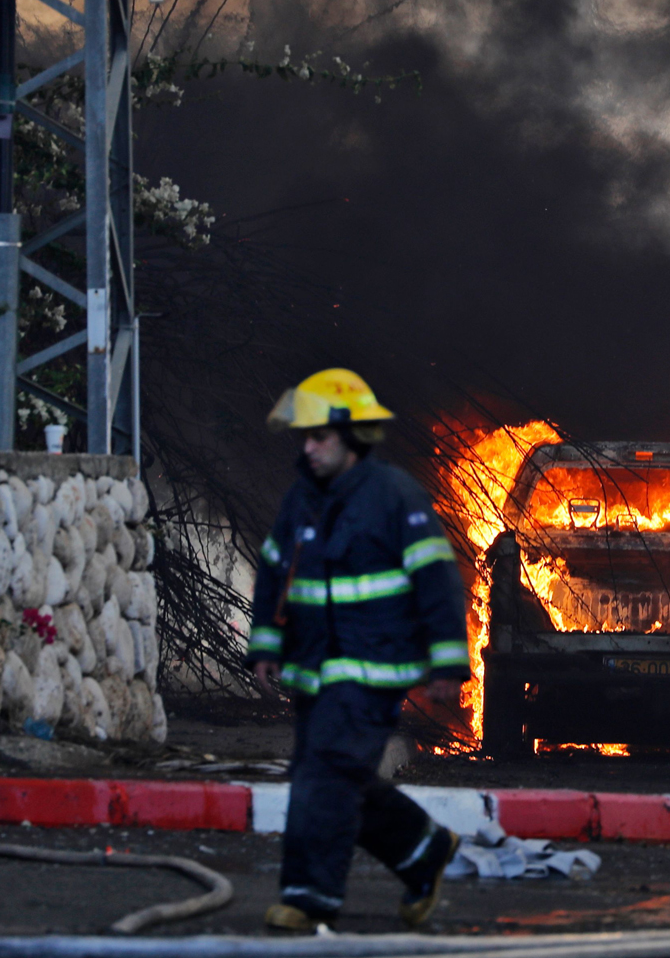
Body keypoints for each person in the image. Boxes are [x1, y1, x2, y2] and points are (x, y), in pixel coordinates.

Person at [245, 368, 471, 932]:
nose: (309, 446)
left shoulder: (395, 498)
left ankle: (309, 898)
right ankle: (423, 849)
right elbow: (276, 574)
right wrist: (266, 646)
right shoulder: (303, 500)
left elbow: (437, 581)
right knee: (334, 773)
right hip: (316, 669)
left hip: (374, 671)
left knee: (322, 775)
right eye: (306, 436)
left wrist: (448, 661)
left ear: (352, 436)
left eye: (319, 436)